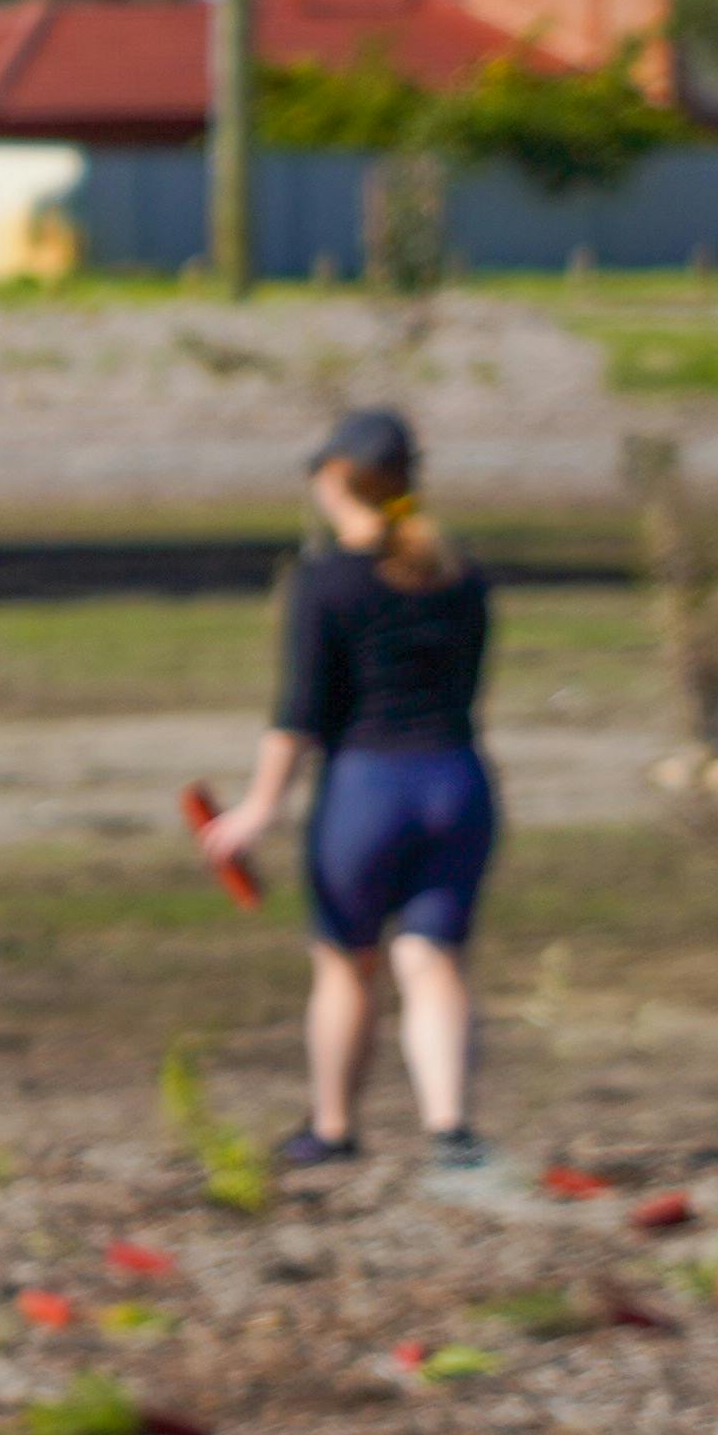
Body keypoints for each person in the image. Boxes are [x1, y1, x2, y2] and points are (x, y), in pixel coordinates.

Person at [195, 408, 495, 1168]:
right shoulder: (462, 575)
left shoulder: (323, 582)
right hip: (457, 783)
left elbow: (299, 710)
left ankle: (333, 1127)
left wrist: (259, 809)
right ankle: (449, 1128)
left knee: (345, 961)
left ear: (336, 480)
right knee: (432, 959)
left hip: (370, 788)